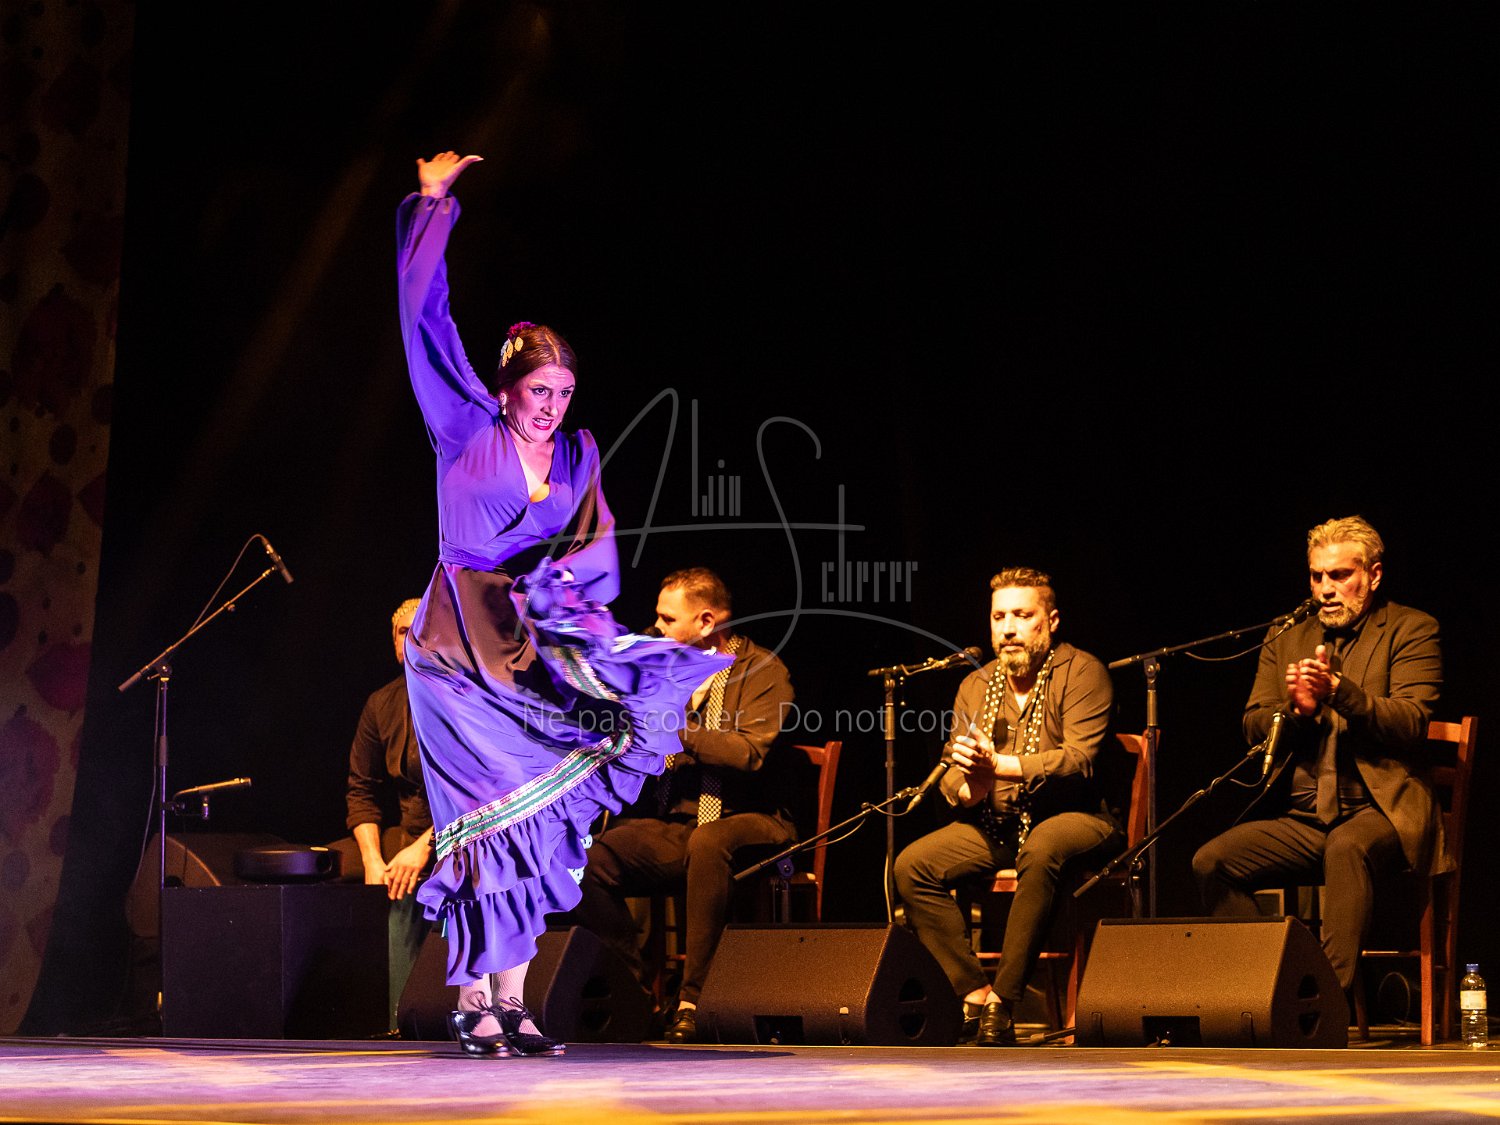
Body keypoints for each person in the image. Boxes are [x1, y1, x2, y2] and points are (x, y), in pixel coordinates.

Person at [396, 151, 731, 1058]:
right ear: (506, 388)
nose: (550, 406)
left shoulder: (579, 452)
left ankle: (514, 1002)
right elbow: (425, 323)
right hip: (451, 652)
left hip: (521, 643)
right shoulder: (465, 428)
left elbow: (594, 552)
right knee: (482, 819)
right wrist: (432, 207)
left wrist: (578, 623)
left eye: (563, 393)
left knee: (535, 821)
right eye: (538, 391)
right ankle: (470, 999)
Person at [1191, 515, 1445, 999]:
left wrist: (1339, 693)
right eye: (1316, 576)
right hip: (1304, 818)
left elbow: (1411, 722)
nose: (1326, 589)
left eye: (1340, 575)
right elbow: (1252, 724)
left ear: (1373, 575)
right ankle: (1272, 989)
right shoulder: (1287, 635)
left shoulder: (1411, 628)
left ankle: (1321, 1004)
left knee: (1346, 848)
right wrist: (1295, 711)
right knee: (1212, 862)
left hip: (1382, 812)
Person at [893, 567, 1121, 1047]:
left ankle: (1005, 1000)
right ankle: (974, 993)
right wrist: (971, 787)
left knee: (1042, 846)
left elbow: (1078, 760)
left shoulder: (1083, 672)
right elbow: (955, 771)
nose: (1009, 629)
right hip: (997, 824)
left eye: (1022, 615)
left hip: (1076, 819)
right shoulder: (976, 686)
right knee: (913, 865)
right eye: (999, 617)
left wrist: (1001, 765)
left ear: (1051, 621)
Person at [570, 568, 797, 1044]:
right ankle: (637, 994)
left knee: (709, 842)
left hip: (751, 819)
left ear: (707, 621)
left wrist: (674, 727)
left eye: (668, 619)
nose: (656, 627)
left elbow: (748, 754)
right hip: (681, 823)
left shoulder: (763, 671)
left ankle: (695, 1000)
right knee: (587, 859)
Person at [326, 597, 433, 1029]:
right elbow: (362, 789)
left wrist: (425, 848)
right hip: (408, 834)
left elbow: (478, 794)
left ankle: (421, 1014)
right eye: (404, 632)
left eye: (421, 630)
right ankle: (379, 1014)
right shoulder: (382, 703)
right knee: (326, 866)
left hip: (467, 834)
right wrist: (372, 860)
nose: (412, 640)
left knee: (409, 881)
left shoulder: (466, 697)